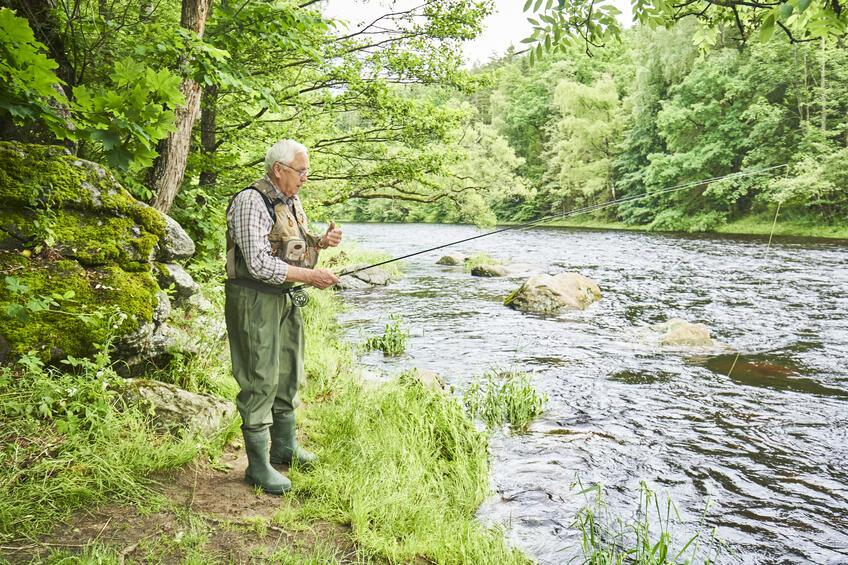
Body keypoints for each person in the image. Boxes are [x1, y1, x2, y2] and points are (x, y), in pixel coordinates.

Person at [224, 139, 341, 494]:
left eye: (306, 171)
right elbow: (258, 263)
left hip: (285, 297)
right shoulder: (250, 201)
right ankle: (258, 468)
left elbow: (292, 246)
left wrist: (322, 241)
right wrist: (312, 277)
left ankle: (284, 448)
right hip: (254, 299)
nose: (305, 177)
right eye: (301, 171)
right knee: (260, 378)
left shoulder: (290, 200)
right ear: (279, 170)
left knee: (288, 372)